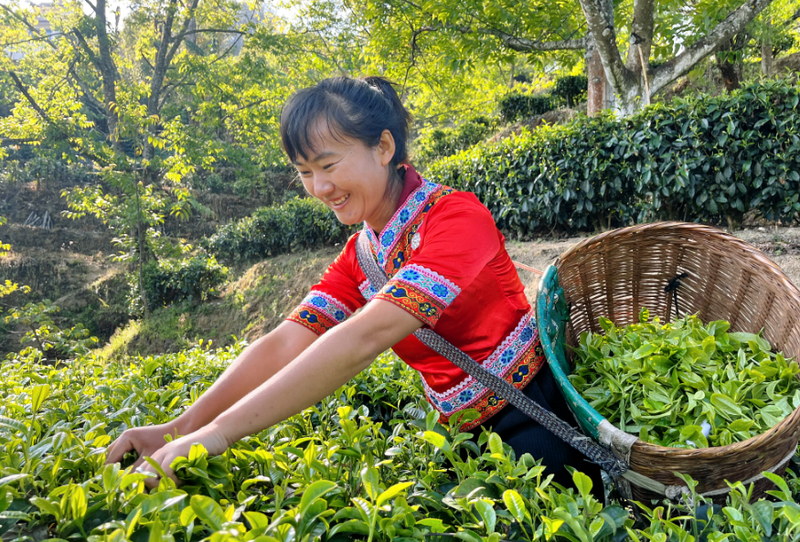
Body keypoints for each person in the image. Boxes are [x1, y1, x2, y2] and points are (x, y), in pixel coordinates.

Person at [105, 76, 602, 491]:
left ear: (383, 147)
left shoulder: (455, 217)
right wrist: (180, 427)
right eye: (304, 172)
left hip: (535, 421)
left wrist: (217, 435)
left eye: (328, 164)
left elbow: (364, 336)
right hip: (459, 440)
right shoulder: (361, 255)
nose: (319, 188)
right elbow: (286, 342)